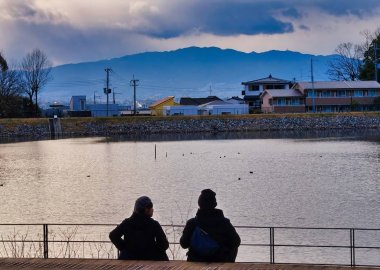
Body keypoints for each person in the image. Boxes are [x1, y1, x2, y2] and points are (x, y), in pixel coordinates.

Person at [180, 189, 241, 262]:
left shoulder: (192, 223)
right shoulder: (224, 223)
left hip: (195, 261)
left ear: (199, 203)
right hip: (219, 261)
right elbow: (236, 242)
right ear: (215, 204)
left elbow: (184, 244)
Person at [109, 196, 169, 260]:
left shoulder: (127, 223)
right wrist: (153, 250)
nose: (153, 210)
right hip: (150, 260)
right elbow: (164, 245)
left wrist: (124, 247)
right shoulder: (154, 224)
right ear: (146, 210)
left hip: (129, 258)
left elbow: (113, 235)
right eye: (151, 208)